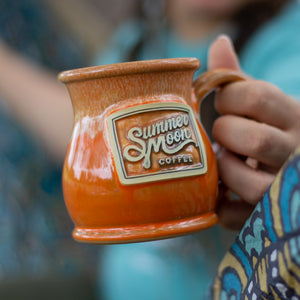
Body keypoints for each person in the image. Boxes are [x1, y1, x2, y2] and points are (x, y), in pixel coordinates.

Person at [94, 0, 300, 299]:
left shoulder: (287, 34)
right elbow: (85, 134)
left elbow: (290, 98)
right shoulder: (136, 41)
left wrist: (292, 168)